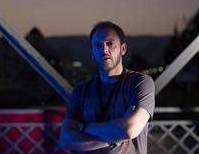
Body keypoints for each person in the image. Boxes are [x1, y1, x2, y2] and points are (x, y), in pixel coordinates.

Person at [60, 21, 155, 154]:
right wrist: (115, 138)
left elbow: (129, 129)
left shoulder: (140, 83)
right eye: (98, 45)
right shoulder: (81, 91)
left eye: (110, 43)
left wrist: (82, 127)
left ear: (123, 49)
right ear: (93, 53)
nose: (104, 49)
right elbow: (66, 140)